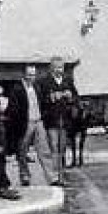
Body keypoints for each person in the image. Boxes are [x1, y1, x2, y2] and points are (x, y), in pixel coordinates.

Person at [35, 58, 73, 187]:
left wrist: (70, 96)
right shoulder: (44, 82)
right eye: (57, 68)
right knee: (53, 148)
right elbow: (39, 100)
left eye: (61, 68)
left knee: (62, 149)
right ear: (51, 68)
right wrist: (51, 97)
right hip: (51, 120)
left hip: (64, 119)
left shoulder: (68, 81)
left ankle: (62, 176)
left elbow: (75, 96)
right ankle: (54, 177)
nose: (60, 70)